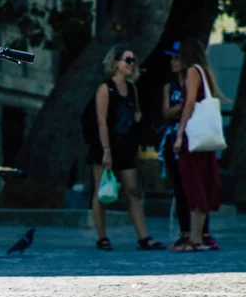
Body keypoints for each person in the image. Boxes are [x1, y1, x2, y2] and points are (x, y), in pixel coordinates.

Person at [86, 45, 166, 251]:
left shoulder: (132, 89)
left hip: (125, 146)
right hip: (104, 146)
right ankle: (102, 237)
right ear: (115, 63)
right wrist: (106, 151)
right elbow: (101, 121)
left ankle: (144, 237)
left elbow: (136, 112)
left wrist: (137, 118)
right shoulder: (105, 88)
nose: (132, 64)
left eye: (134, 61)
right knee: (101, 191)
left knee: (132, 190)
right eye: (127, 60)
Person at [159, 41, 219, 250]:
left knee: (192, 186)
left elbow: (189, 103)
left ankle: (195, 238)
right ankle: (197, 237)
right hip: (203, 140)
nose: (175, 60)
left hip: (192, 138)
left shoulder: (193, 72)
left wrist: (179, 132)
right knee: (199, 185)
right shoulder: (204, 72)